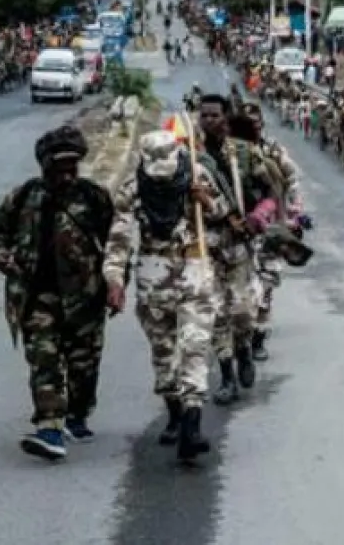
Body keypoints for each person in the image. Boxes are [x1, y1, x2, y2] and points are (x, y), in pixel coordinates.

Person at [0, 125, 115, 461]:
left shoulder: (93, 197)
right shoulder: (24, 197)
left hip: (85, 298)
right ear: (45, 166)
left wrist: (116, 282)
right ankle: (50, 428)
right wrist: (2, 257)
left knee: (83, 366)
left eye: (73, 167)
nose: (68, 174)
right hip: (37, 298)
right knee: (44, 361)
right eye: (60, 167)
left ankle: (77, 415)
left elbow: (117, 245)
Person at [103, 130, 222, 463]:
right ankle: (175, 411)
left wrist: (207, 201)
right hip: (153, 276)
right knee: (165, 352)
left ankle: (193, 424)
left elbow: (223, 215)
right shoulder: (132, 189)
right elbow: (119, 239)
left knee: (195, 346)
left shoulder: (197, 174)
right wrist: (114, 279)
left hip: (193, 267)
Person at [197, 95, 272, 406]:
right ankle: (226, 375)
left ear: (225, 118)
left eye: (214, 115)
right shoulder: (192, 157)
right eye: (203, 116)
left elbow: (270, 192)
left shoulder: (244, 152)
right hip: (204, 247)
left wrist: (259, 216)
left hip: (238, 242)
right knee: (216, 313)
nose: (208, 120)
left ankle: (243, 352)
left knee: (241, 310)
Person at [243, 102, 302, 362]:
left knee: (266, 284)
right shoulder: (229, 152)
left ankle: (258, 338)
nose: (251, 128)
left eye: (256, 124)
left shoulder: (273, 151)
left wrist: (294, 213)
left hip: (271, 227)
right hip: (240, 228)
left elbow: (292, 180)